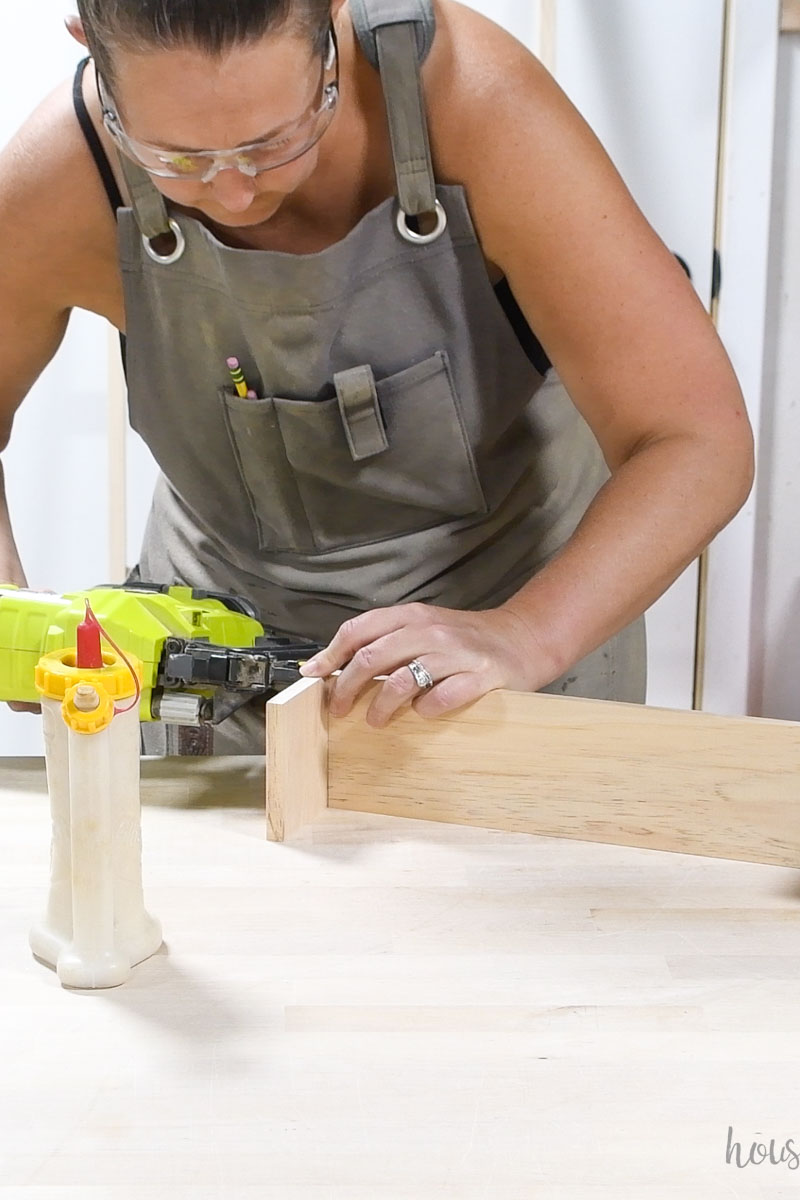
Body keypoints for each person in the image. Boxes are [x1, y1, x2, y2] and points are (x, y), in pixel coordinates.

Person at [0, 0, 753, 753]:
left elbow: (696, 439)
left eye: (274, 141)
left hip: (505, 647)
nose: (235, 194)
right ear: (91, 51)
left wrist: (526, 634)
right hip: (218, 673)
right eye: (178, 159)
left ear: (333, 19)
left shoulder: (466, 100)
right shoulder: (64, 173)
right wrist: (10, 619)